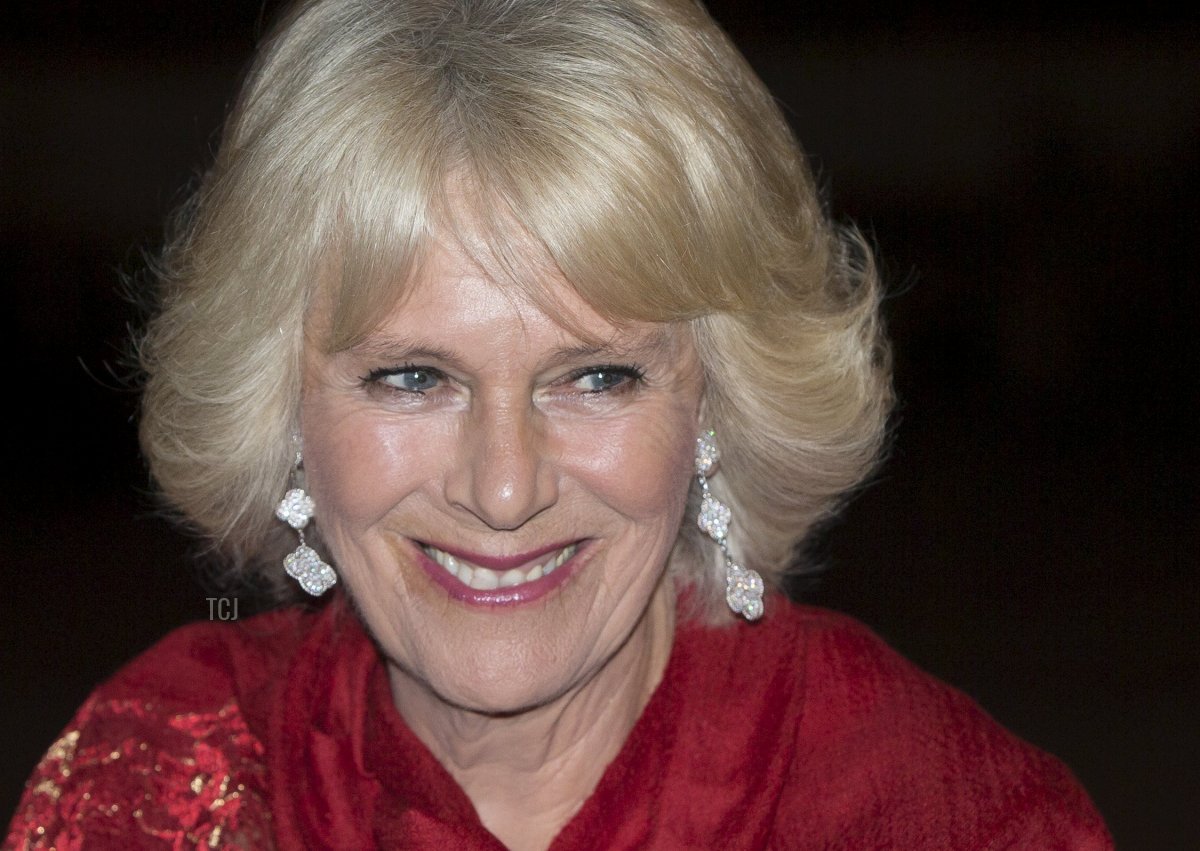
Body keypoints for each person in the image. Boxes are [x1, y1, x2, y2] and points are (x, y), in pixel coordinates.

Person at [5, 1, 1111, 848]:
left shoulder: (944, 813)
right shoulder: (157, 775)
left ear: (715, 401)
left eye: (596, 377)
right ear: (283, 411)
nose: (502, 488)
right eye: (409, 377)